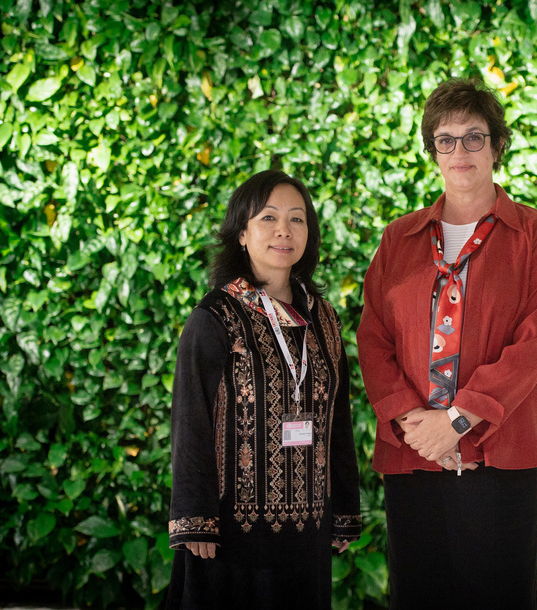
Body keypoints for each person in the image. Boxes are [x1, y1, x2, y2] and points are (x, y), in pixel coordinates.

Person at [357, 78, 537, 609]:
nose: (459, 150)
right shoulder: (397, 238)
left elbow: (534, 341)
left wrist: (455, 422)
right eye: (445, 139)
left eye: (475, 136)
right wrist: (416, 425)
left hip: (501, 457)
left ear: (497, 145)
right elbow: (373, 336)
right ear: (432, 151)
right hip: (414, 454)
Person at [167, 170, 361, 609]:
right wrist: (195, 519)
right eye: (268, 218)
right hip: (231, 535)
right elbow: (190, 419)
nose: (283, 231)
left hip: (308, 531)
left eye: (297, 219)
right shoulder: (215, 316)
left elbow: (338, 418)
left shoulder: (324, 318)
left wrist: (344, 509)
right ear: (242, 232)